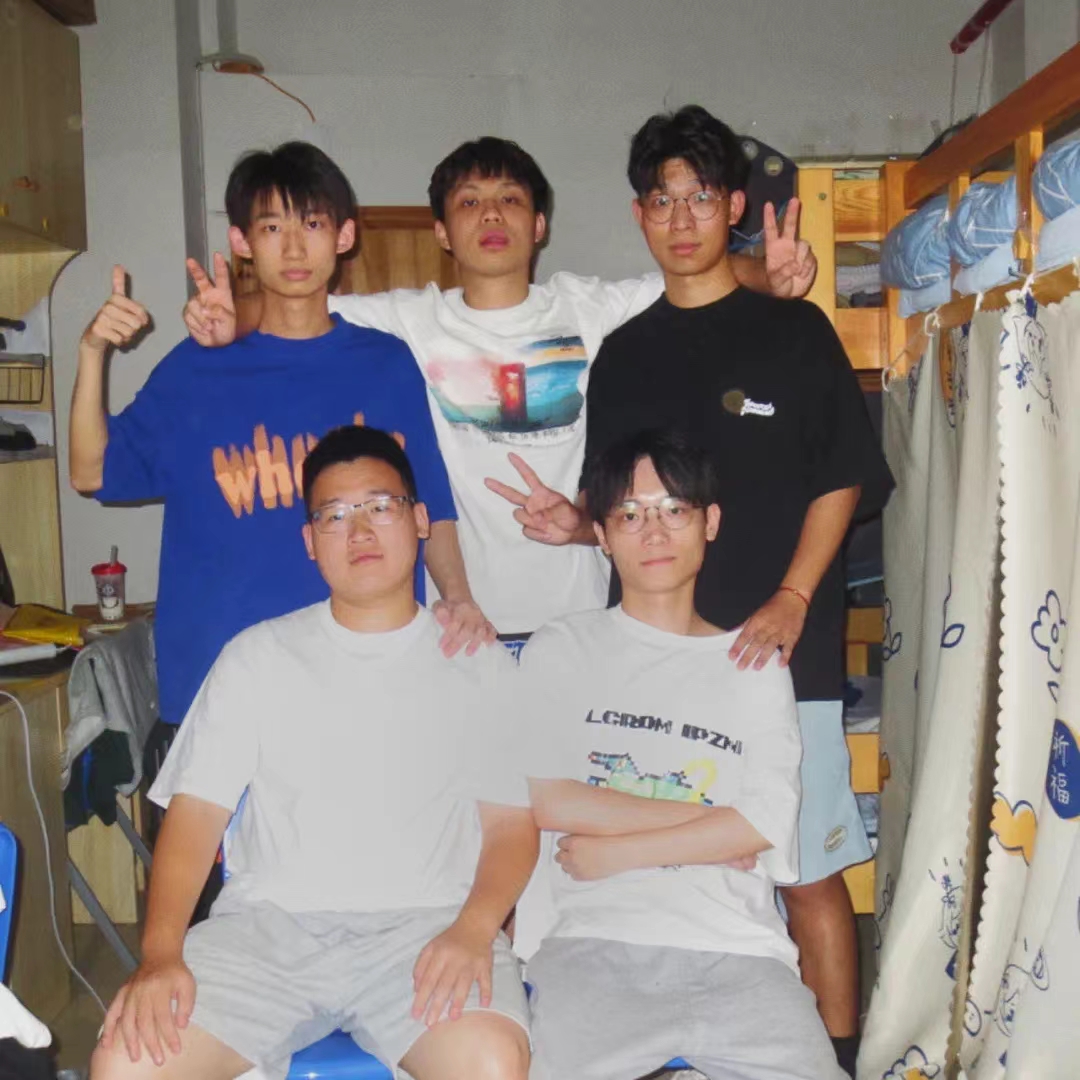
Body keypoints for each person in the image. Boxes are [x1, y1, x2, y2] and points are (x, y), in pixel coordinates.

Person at [490, 107, 894, 1076]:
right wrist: (576, 524)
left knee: (806, 872)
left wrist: (795, 596)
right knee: (662, 849)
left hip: (776, 645)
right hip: (650, 663)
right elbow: (625, 500)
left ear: (734, 208)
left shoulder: (793, 331)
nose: (681, 219)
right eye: (662, 200)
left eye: (700, 198)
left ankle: (832, 1059)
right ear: (639, 214)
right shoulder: (625, 354)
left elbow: (843, 476)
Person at [182, 136, 817, 650]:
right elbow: (300, 305)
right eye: (469, 202)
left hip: (583, 619)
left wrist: (770, 274)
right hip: (460, 625)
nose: (490, 215)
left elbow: (695, 276)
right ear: (441, 232)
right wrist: (230, 319)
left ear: (539, 225)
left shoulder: (586, 306)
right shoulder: (410, 319)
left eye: (509, 199)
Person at [90, 425, 537, 1080]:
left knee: (491, 1063)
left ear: (420, 520)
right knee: (126, 1063)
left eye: (380, 506)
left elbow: (511, 828)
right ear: (309, 541)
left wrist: (473, 929)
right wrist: (160, 955)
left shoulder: (479, 664)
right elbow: (194, 819)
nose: (359, 531)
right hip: (265, 935)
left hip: (429, 930)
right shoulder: (256, 657)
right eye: (334, 515)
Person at [70, 142, 488, 736]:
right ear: (242, 241)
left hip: (366, 682)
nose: (293, 248)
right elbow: (90, 471)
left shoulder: (387, 364)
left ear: (344, 235)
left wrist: (459, 597)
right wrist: (92, 352)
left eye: (312, 224)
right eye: (271, 227)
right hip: (221, 691)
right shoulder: (197, 370)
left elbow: (432, 509)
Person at [512, 429, 844, 1080]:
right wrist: (714, 827)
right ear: (601, 536)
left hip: (742, 955)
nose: (655, 532)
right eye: (630, 515)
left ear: (709, 523)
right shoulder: (563, 649)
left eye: (674, 510)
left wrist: (618, 850)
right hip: (593, 948)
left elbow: (765, 825)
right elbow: (544, 797)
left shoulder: (753, 664)